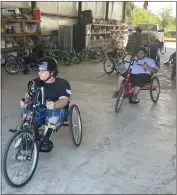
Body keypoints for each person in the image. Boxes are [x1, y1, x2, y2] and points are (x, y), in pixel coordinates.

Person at [20, 57, 71, 151]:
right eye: (39, 70)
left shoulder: (63, 84)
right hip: (39, 109)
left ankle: (45, 138)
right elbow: (28, 95)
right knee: (25, 113)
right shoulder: (35, 82)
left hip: (55, 110)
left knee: (55, 113)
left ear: (52, 72)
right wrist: (25, 102)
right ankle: (28, 134)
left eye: (43, 71)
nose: (40, 73)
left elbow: (64, 100)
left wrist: (55, 104)